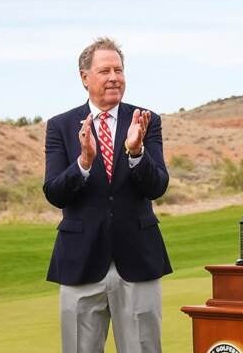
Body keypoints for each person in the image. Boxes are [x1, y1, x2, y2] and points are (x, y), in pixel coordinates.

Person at [43, 37, 172, 352]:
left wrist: (136, 152)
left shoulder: (145, 120)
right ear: (85, 78)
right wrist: (83, 163)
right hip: (81, 260)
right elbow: (55, 192)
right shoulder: (60, 126)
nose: (114, 77)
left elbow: (158, 186)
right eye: (105, 71)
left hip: (138, 258)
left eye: (119, 70)